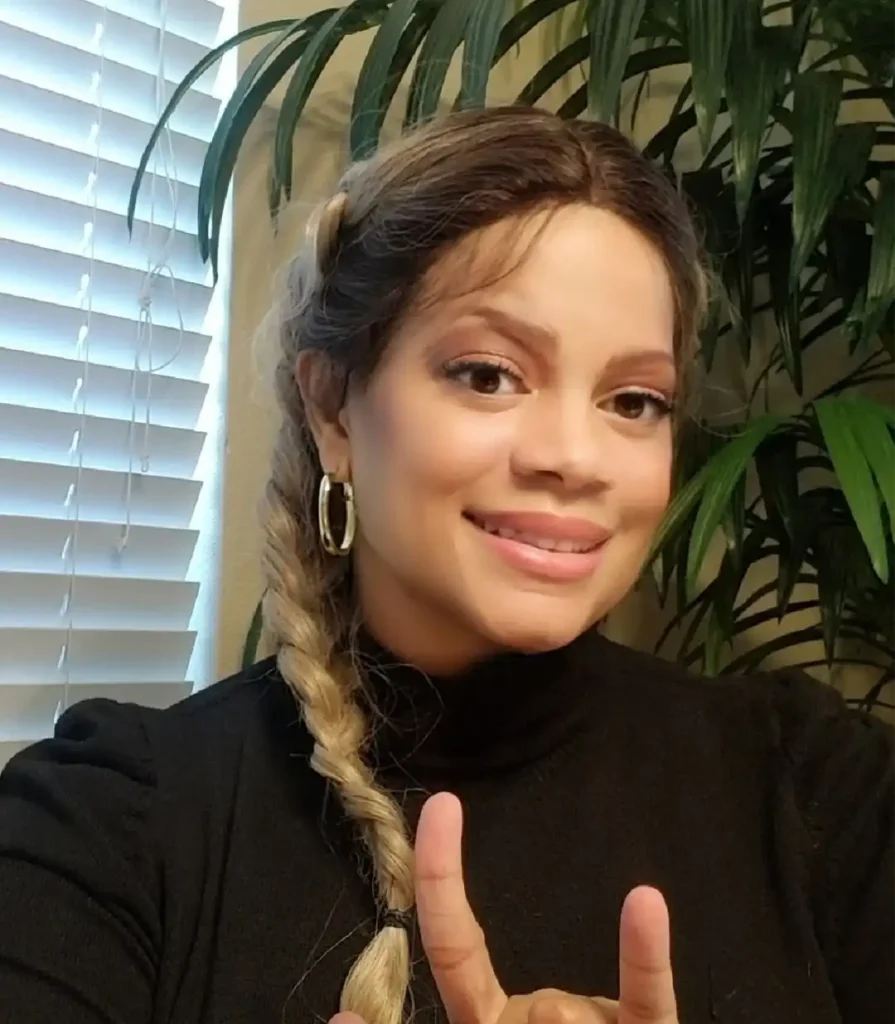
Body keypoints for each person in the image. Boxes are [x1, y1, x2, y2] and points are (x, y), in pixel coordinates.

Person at [1, 106, 893, 1024]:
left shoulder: (815, 786)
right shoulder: (106, 824)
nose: (573, 458)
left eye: (633, 401)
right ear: (333, 408)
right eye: (487, 374)